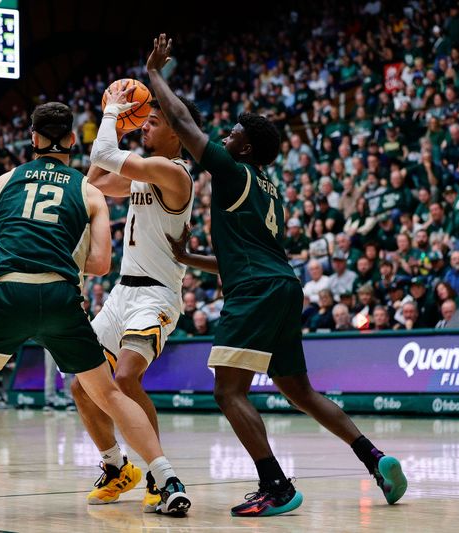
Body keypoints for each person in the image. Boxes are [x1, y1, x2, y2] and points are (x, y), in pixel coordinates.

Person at [0, 102, 191, 521]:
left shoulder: (0, 184)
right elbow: (99, 265)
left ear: (33, 138)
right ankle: (167, 480)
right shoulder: (88, 190)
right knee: (110, 393)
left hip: (6, 297)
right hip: (62, 300)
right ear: (73, 141)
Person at [149, 34, 406, 517]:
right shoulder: (270, 188)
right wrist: (192, 257)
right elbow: (250, 253)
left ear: (246, 144)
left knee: (228, 391)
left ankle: (276, 486)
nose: (225, 135)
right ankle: (374, 457)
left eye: (233, 132)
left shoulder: (230, 169)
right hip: (282, 284)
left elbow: (183, 122)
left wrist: (155, 74)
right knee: (299, 390)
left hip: (257, 290)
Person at [69, 81, 200, 511]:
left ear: (178, 134)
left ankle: (160, 475)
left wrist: (111, 117)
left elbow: (101, 156)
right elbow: (92, 183)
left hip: (156, 297)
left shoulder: (175, 174)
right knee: (82, 387)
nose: (145, 125)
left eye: (155, 122)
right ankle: (115, 467)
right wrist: (122, 129)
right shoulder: (145, 172)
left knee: (125, 378)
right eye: (144, 120)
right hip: (122, 294)